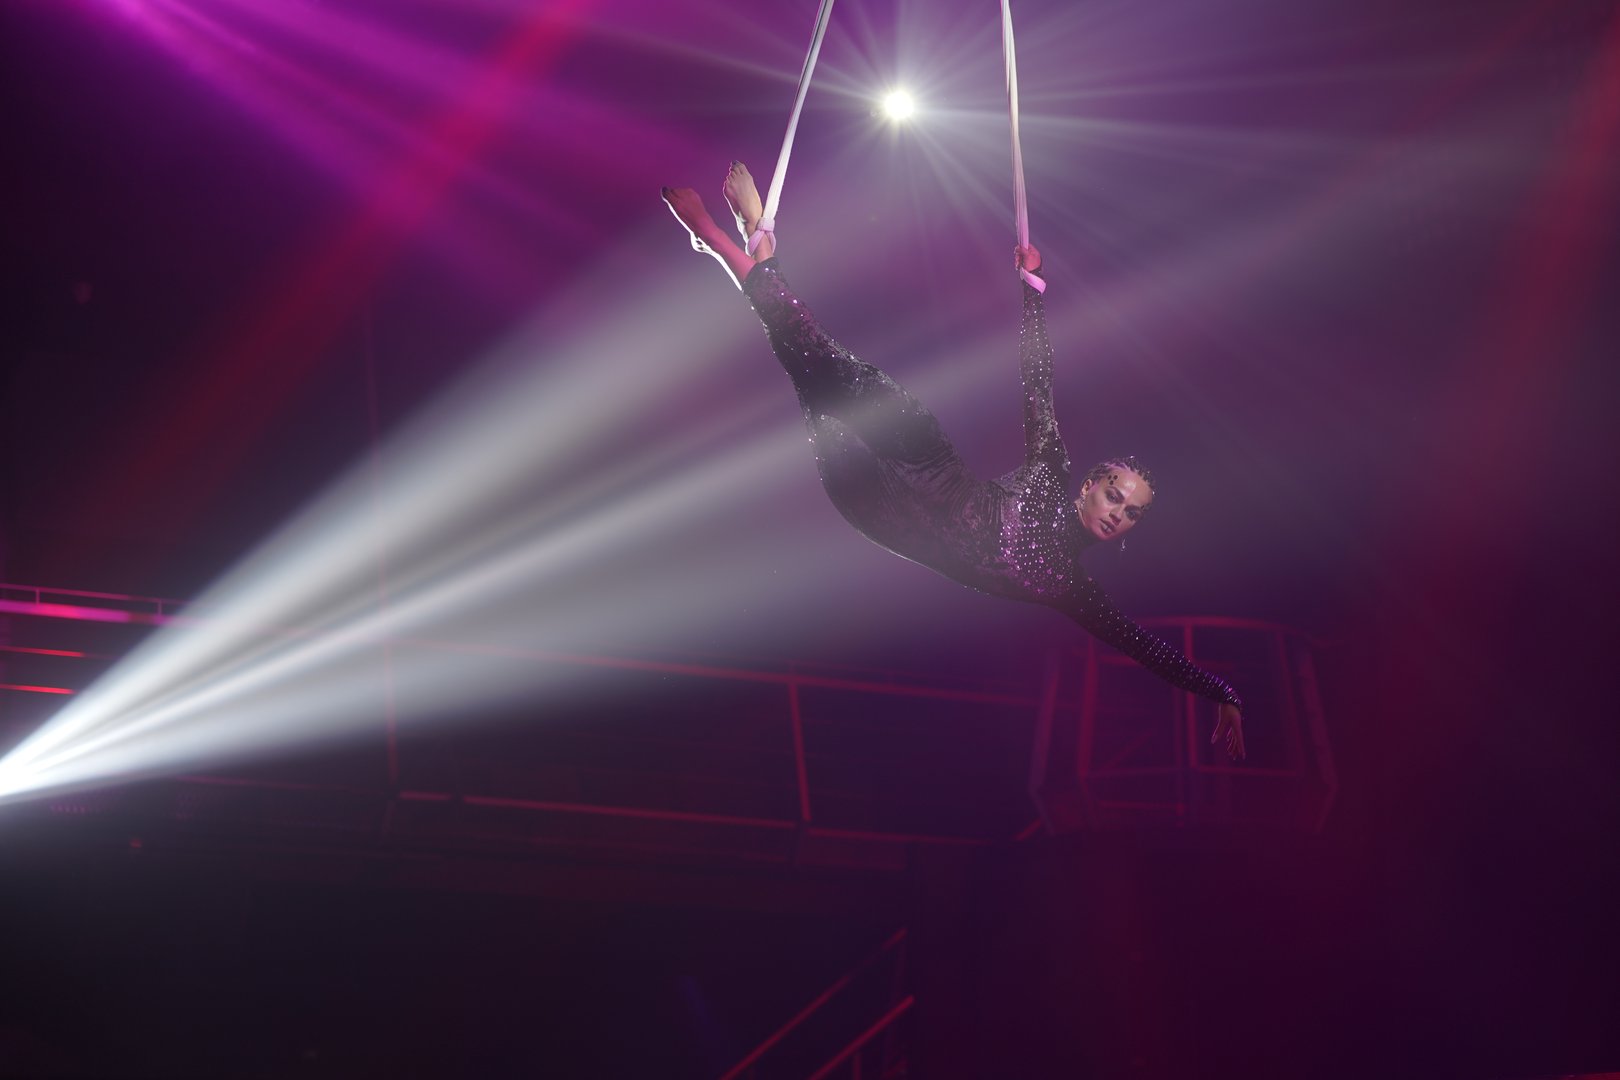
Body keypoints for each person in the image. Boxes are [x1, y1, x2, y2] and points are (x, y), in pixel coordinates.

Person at [662, 163, 1245, 760]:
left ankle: (745, 245)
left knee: (808, 374)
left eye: (1131, 512)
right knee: (827, 364)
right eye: (1115, 494)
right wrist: (1034, 291)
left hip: (878, 507)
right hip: (931, 463)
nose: (1117, 512)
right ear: (1090, 485)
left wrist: (1223, 691)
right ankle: (724, 238)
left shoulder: (1074, 591)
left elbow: (1146, 648)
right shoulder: (1052, 469)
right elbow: (1037, 380)